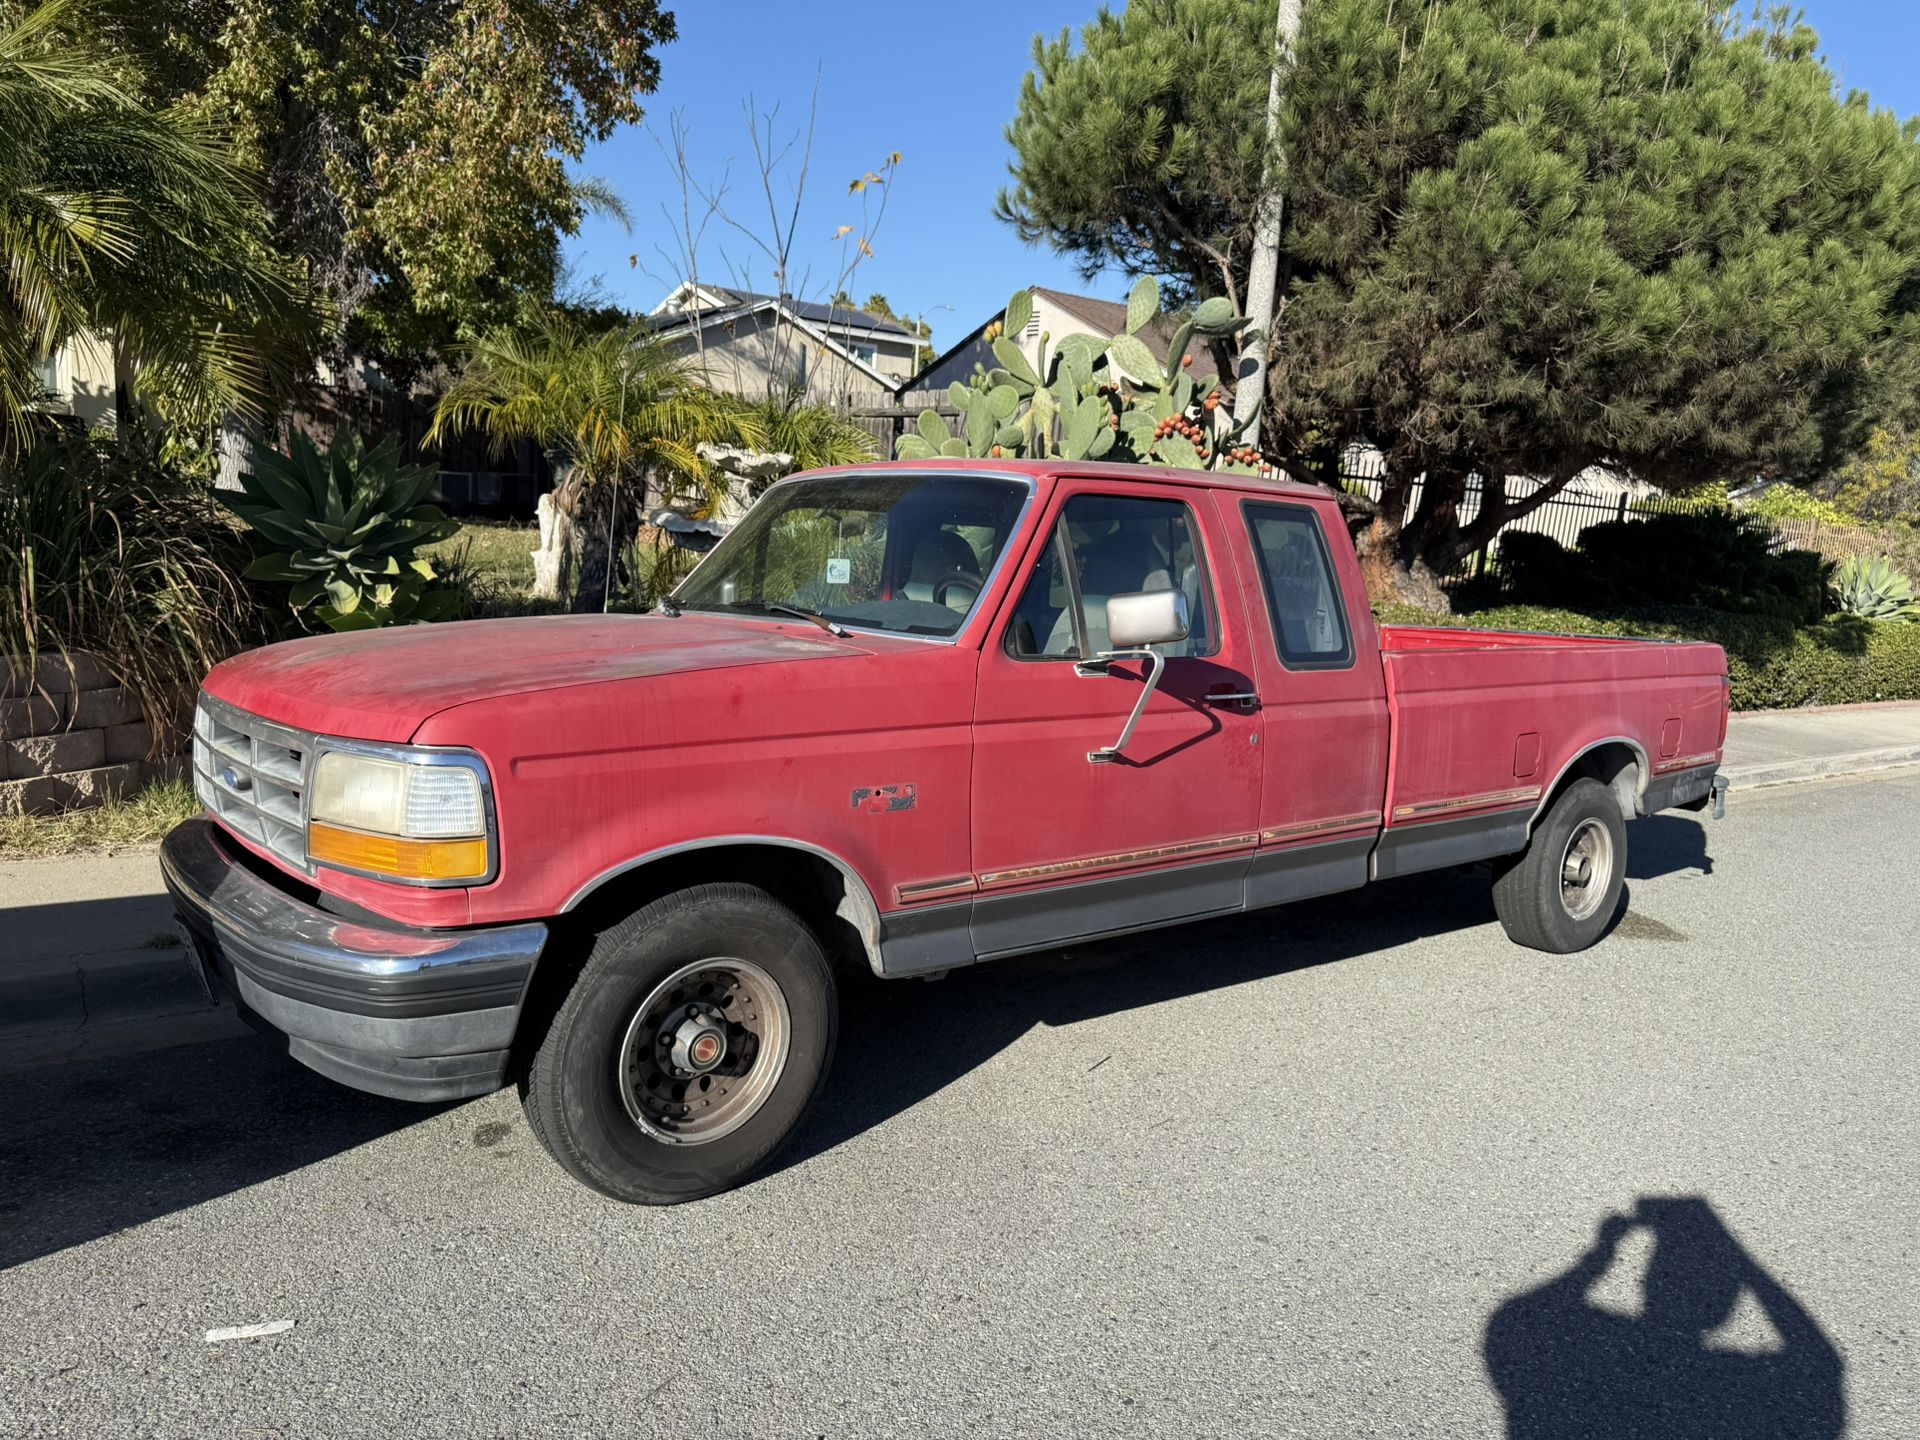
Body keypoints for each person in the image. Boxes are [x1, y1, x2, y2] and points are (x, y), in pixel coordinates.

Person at [1484, 1196, 1844, 1438]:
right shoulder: (1728, 1384)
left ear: (1646, 1282)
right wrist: (1739, 1259)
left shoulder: (1593, 1349)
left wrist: (1602, 1254)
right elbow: (1820, 1363)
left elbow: (1519, 1319)